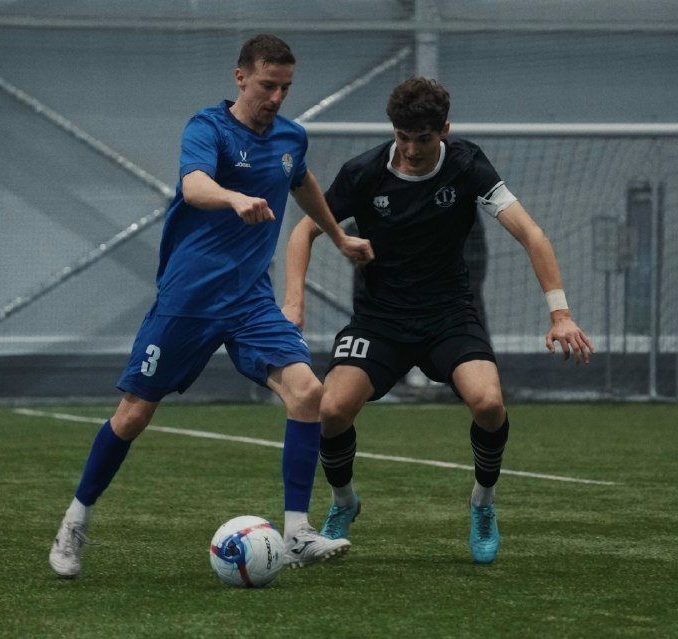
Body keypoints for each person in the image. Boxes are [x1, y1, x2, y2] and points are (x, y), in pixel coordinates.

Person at [48, 34, 374, 578]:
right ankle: (74, 521)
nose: (276, 98)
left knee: (307, 392)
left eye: (285, 88)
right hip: (189, 299)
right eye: (267, 85)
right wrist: (233, 197)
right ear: (241, 77)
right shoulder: (208, 128)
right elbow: (195, 185)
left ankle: (297, 533)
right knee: (134, 414)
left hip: (250, 301)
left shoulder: (291, 136)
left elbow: (301, 180)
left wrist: (338, 236)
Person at [282, 77, 594, 564]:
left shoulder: (467, 165)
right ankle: (344, 502)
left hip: (448, 315)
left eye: (423, 139)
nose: (410, 150)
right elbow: (303, 231)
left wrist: (561, 314)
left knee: (488, 403)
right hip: (380, 320)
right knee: (332, 410)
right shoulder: (363, 173)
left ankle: (483, 503)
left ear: (444, 130)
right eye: (402, 137)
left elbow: (531, 233)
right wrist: (293, 302)